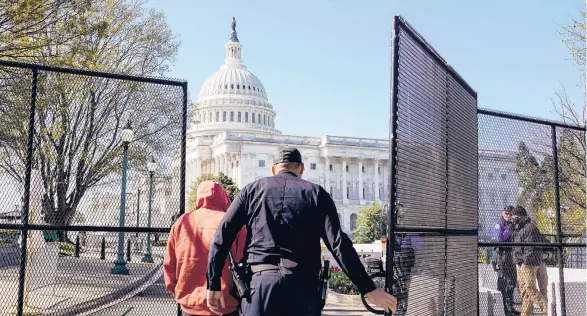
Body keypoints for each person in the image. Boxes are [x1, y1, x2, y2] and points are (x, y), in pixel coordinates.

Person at [206, 146, 397, 316]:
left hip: (260, 287)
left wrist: (213, 283)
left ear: (274, 169)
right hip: (302, 288)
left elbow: (222, 237)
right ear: (301, 168)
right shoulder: (316, 193)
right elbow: (338, 244)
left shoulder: (251, 191)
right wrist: (368, 289)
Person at [164, 181, 246, 316]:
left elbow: (170, 265)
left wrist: (178, 291)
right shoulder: (233, 222)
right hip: (225, 304)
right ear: (224, 197)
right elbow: (242, 260)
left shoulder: (182, 223)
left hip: (190, 303)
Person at [511, 206, 553, 316]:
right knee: (524, 291)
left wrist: (525, 262)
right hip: (520, 262)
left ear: (520, 217)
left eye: (514, 217)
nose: (512, 219)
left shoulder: (530, 228)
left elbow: (530, 248)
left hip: (527, 263)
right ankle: (526, 313)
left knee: (530, 288)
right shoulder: (518, 229)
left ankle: (546, 308)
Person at [493, 205, 520, 316]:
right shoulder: (498, 225)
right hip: (502, 257)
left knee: (512, 281)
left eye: (510, 213)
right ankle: (505, 308)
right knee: (504, 282)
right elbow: (498, 240)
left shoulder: (512, 225)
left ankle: (509, 305)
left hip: (511, 257)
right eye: (506, 213)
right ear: (502, 213)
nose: (508, 215)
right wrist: (509, 229)